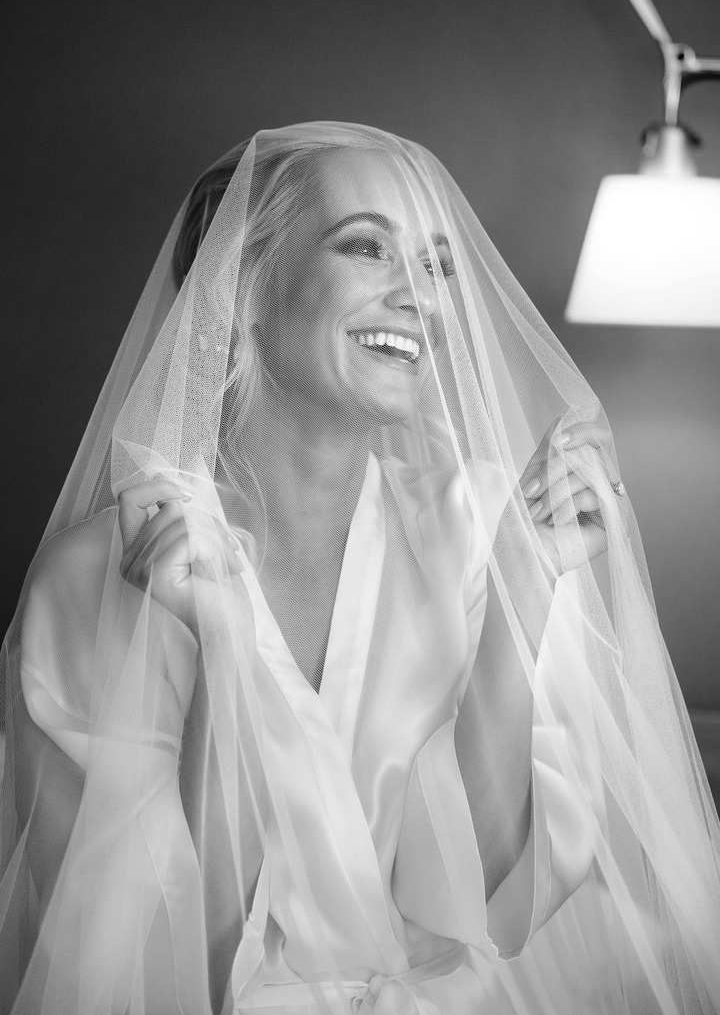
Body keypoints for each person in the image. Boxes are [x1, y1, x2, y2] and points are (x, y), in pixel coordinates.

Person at [1, 122, 719, 1014]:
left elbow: (473, 901)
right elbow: (166, 958)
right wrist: (222, 655)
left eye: (439, 265)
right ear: (242, 288)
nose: (424, 297)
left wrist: (524, 588)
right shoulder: (90, 583)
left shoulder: (486, 527)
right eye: (370, 246)